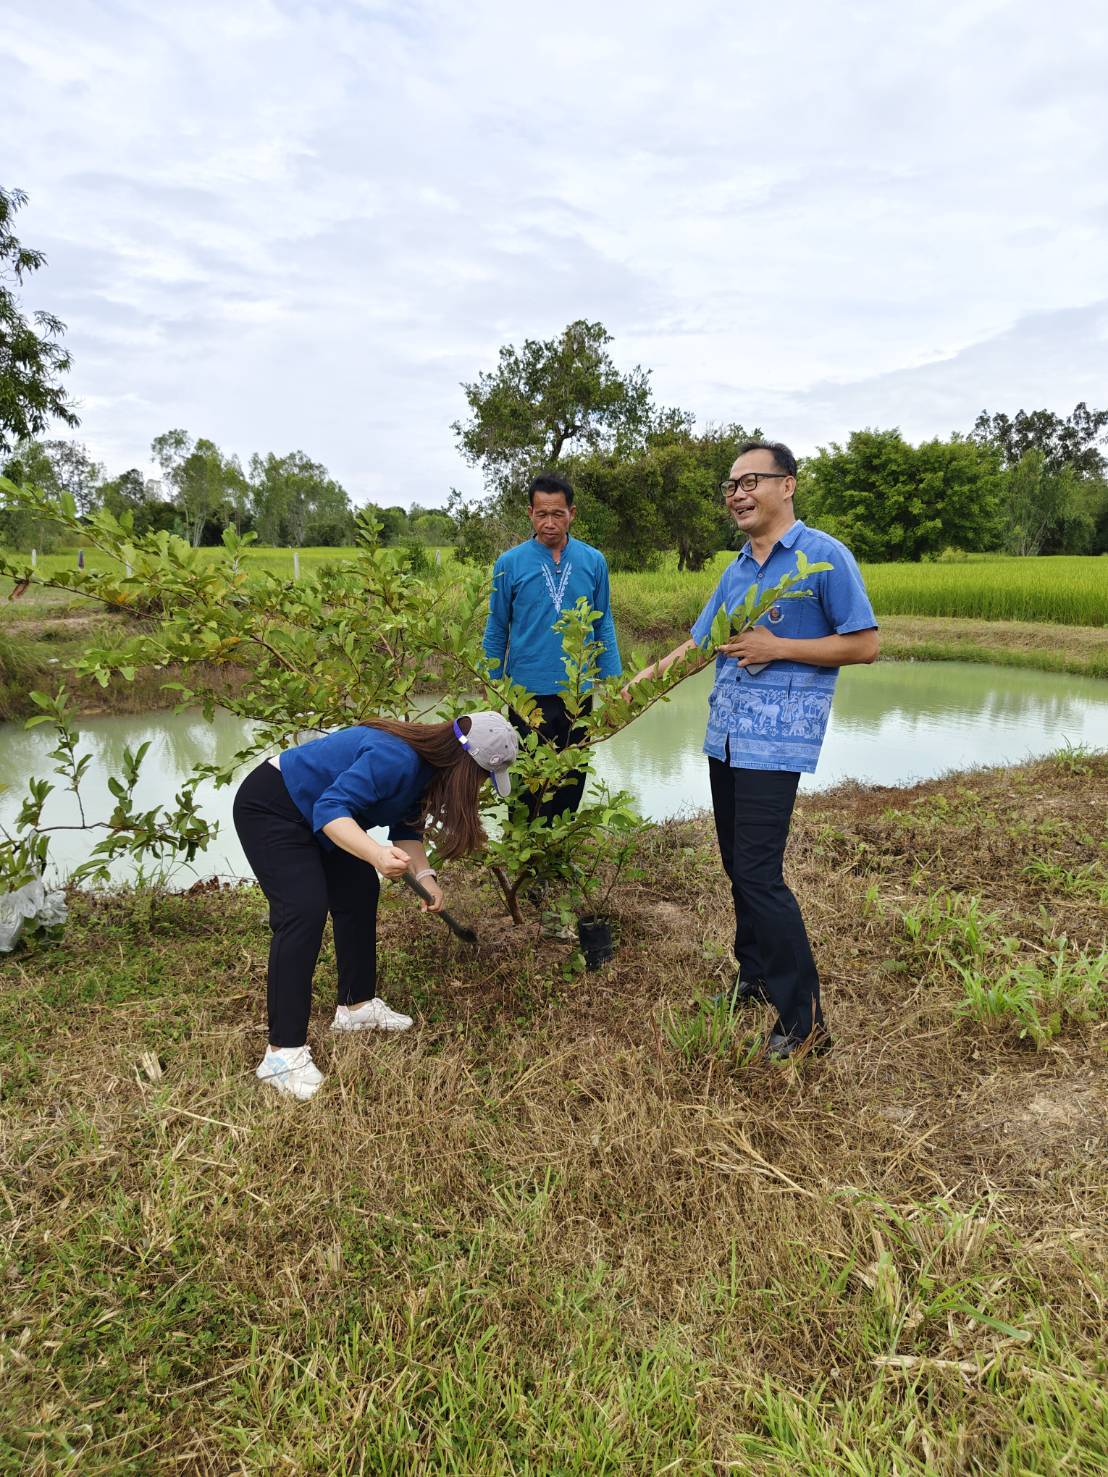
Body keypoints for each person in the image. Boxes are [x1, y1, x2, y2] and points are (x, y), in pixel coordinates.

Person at [625, 440, 878, 1059]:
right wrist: (634, 690)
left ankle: (805, 1021)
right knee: (739, 868)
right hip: (727, 736)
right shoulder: (736, 569)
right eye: (731, 485)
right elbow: (701, 645)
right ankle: (755, 977)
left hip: (777, 741)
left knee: (761, 875)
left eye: (751, 480)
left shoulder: (823, 557)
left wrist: (778, 647)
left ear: (787, 485)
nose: (737, 493)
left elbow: (864, 644)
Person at [233, 711, 518, 1100]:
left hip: (321, 812)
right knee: (303, 910)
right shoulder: (397, 758)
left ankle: (355, 1006)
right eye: (483, 778)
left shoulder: (430, 768)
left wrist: (426, 878)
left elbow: (406, 829)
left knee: (358, 891)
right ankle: (282, 1055)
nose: (480, 788)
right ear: (466, 766)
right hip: (274, 806)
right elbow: (329, 810)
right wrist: (375, 854)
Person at [483, 471, 621, 821]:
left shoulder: (594, 561)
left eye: (557, 514)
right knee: (524, 777)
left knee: (572, 778)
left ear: (571, 513)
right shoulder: (509, 563)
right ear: (530, 513)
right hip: (525, 695)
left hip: (577, 692)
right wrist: (490, 682)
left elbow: (603, 621)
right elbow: (497, 626)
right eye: (542, 514)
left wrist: (615, 682)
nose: (549, 523)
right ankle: (525, 857)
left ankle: (557, 856)